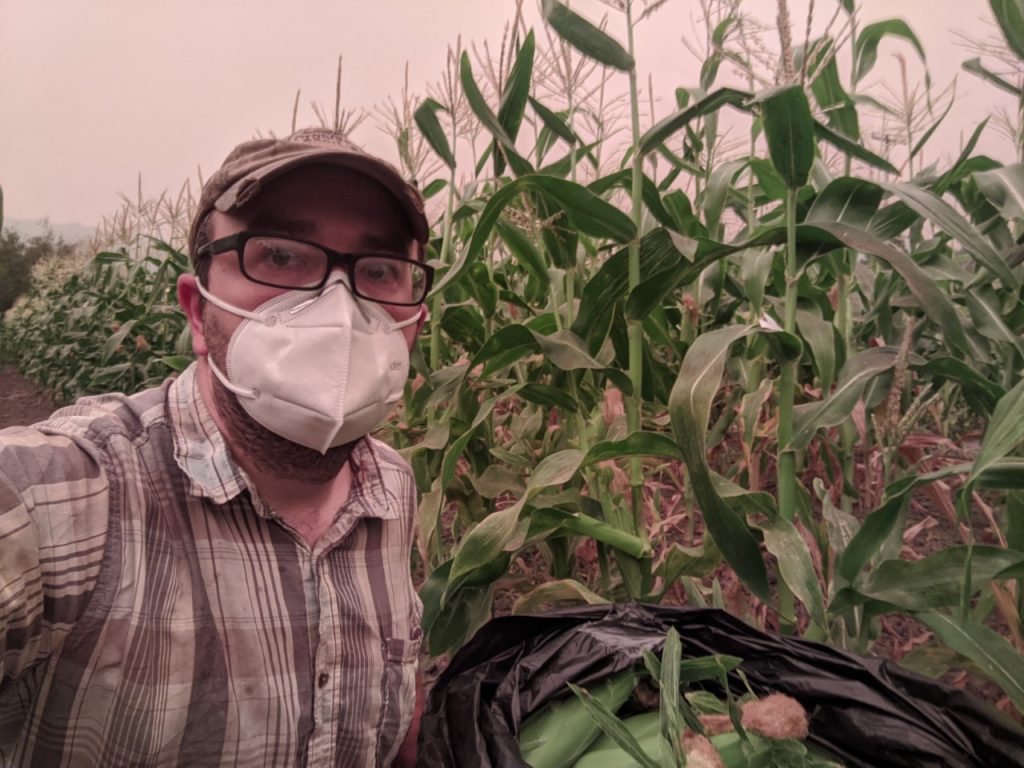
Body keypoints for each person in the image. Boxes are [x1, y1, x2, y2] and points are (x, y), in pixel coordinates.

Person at [0, 128, 433, 767]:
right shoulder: (57, 497)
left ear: (414, 322)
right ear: (198, 313)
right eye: (281, 256)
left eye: (377, 270)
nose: (338, 307)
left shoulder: (392, 489)